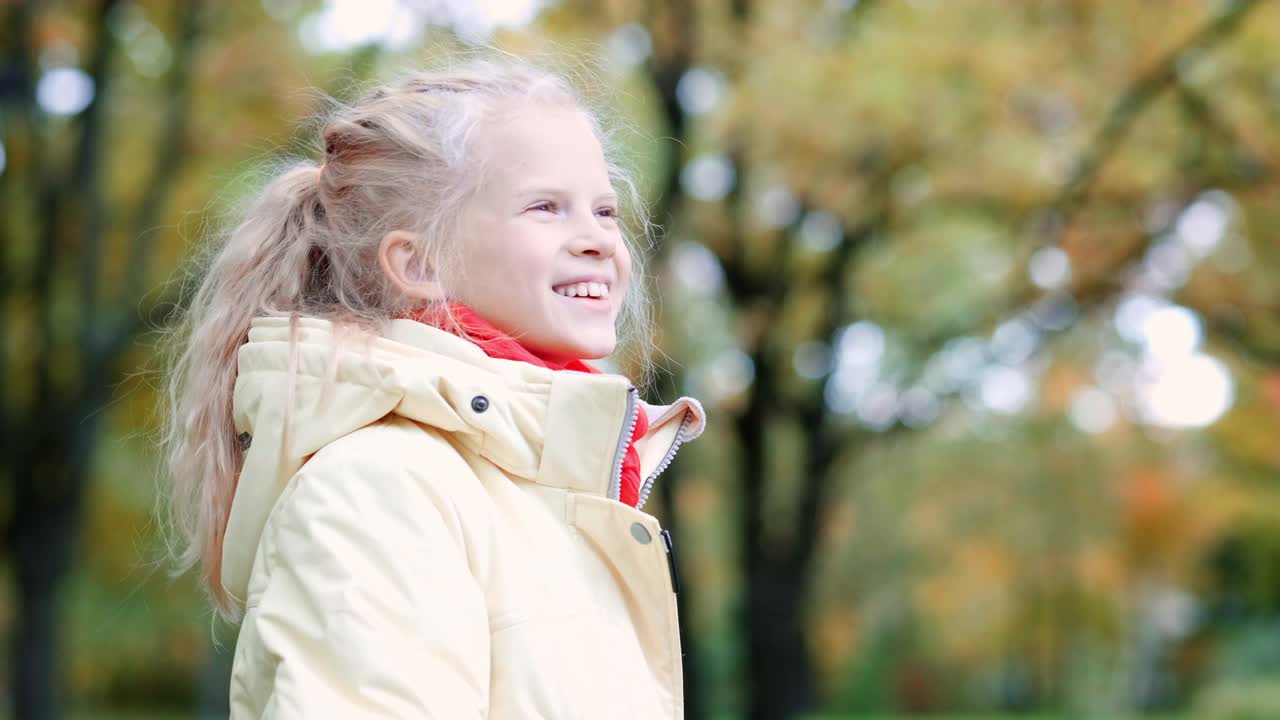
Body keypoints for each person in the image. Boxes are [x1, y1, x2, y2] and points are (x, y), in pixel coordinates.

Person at [162, 55, 705, 718]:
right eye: (545, 207)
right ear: (417, 263)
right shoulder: (378, 486)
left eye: (604, 210)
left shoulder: (549, 485)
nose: (595, 239)